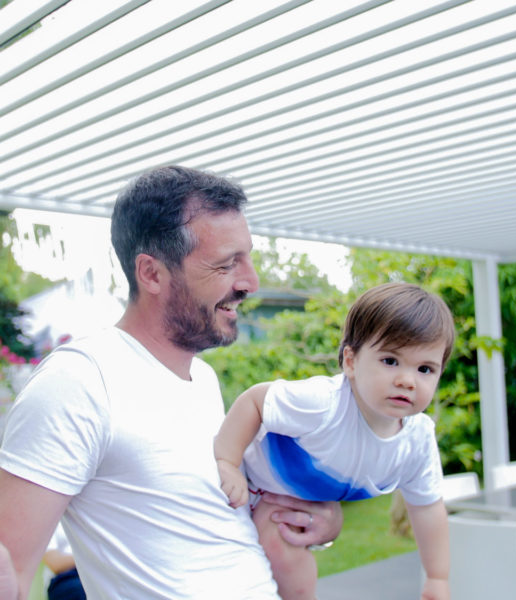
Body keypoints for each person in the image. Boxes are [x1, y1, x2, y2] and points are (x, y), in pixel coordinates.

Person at [0, 165, 342, 600]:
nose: (250, 282)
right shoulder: (78, 383)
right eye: (225, 264)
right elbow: (10, 567)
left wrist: (319, 523)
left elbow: (209, 526)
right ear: (152, 274)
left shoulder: (203, 379)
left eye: (247, 258)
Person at [215, 282, 454, 600]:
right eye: (390, 361)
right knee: (281, 549)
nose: (407, 380)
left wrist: (437, 577)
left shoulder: (417, 441)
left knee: (285, 550)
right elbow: (256, 401)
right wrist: (227, 462)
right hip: (259, 481)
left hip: (298, 497)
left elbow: (427, 508)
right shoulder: (323, 404)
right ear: (351, 362)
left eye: (425, 368)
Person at [43, 523, 86, 600]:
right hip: (67, 577)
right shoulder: (48, 521)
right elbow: (55, 563)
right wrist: (88, 558)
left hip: (95, 571)